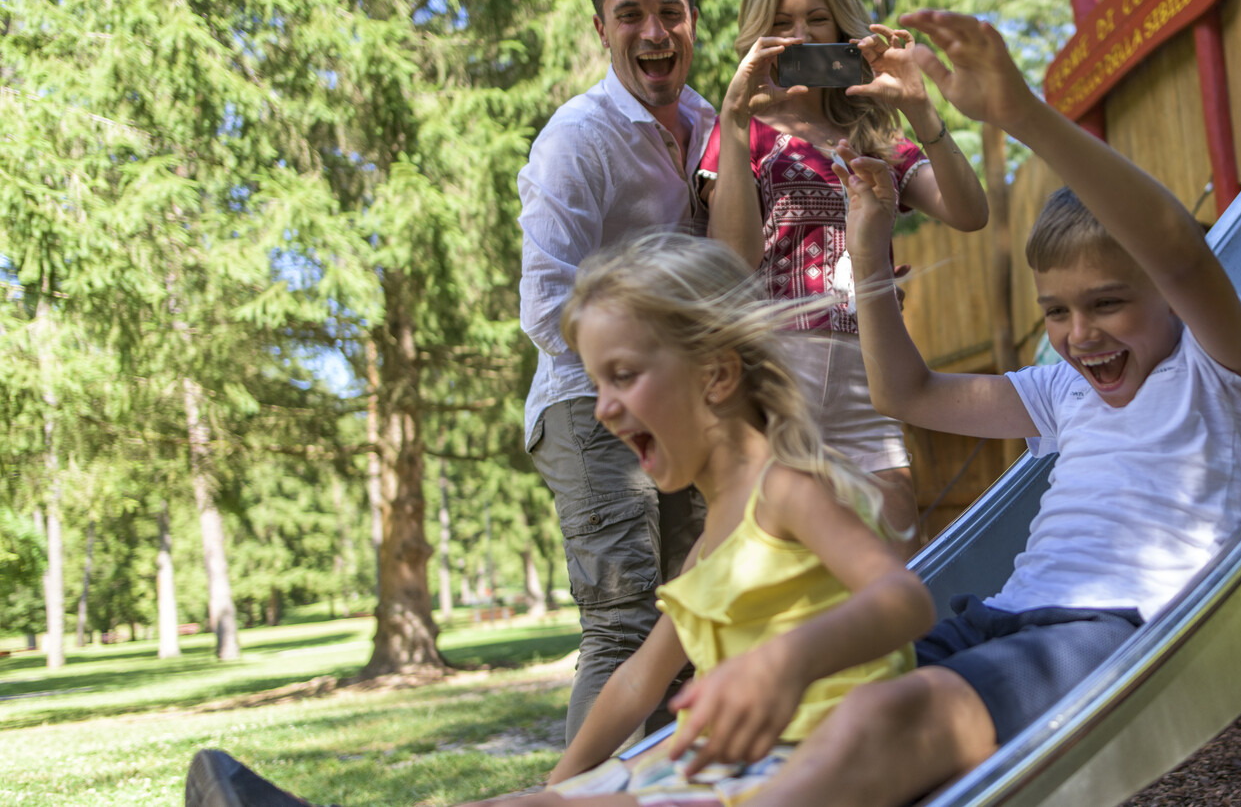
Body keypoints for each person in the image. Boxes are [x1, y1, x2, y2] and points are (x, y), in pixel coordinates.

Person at [737, 9, 1241, 805]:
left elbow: (1179, 251)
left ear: (1168, 298)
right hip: (996, 620)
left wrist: (1022, 116)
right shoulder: (1063, 390)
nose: (1079, 334)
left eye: (1107, 304)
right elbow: (907, 393)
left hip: (1104, 634)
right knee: (812, 686)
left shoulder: (1224, 370)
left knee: (895, 719)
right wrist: (867, 253)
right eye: (1056, 312)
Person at [184, 236, 937, 807]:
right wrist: (552, 789)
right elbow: (637, 681)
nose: (604, 407)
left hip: (821, 759)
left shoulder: (787, 491)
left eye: (624, 376)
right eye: (595, 381)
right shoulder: (709, 543)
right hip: (735, 764)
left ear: (715, 373)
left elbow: (904, 601)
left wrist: (788, 660)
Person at [700, 0, 990, 549]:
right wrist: (735, 117)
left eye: (816, 19)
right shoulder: (745, 128)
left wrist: (921, 110)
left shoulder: (876, 134)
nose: (801, 35)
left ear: (840, 27)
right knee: (787, 566)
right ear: (759, 33)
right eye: (782, 23)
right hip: (777, 383)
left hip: (872, 378)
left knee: (897, 556)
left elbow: (970, 213)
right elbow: (731, 262)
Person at [516, 0, 715, 745]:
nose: (655, 32)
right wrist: (635, 374)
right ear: (602, 31)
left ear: (694, 22)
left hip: (678, 409)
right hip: (587, 404)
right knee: (624, 624)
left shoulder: (707, 123)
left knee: (691, 627)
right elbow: (545, 305)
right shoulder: (578, 137)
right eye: (631, 14)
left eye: (671, 11)